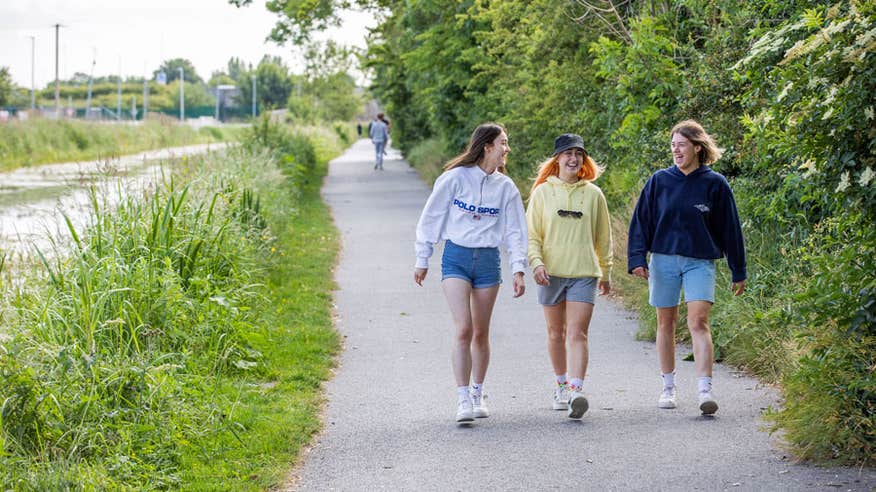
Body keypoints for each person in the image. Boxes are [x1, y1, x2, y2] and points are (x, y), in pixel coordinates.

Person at [627, 119, 746, 415]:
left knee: (698, 322)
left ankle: (705, 389)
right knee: (665, 323)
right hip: (663, 259)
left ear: (697, 147)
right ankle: (668, 387)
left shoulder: (715, 184)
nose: (676, 150)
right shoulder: (659, 181)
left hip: (699, 261)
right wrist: (637, 258)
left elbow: (731, 229)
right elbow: (641, 221)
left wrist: (738, 269)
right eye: (673, 146)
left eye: (681, 145)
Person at [414, 122, 528, 424]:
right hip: (456, 258)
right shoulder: (454, 179)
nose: (507, 149)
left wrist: (519, 268)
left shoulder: (506, 188)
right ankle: (462, 397)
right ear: (487, 146)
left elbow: (516, 230)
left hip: (488, 260)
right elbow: (432, 217)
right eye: (503, 143)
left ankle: (478, 392)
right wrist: (422, 258)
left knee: (481, 331)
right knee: (463, 328)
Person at [526, 134, 612, 419]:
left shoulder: (594, 195)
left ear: (584, 160)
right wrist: (536, 263)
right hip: (550, 273)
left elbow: (603, 237)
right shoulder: (542, 193)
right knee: (556, 333)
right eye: (567, 154)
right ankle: (561, 385)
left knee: (578, 333)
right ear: (557, 159)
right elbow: (532, 235)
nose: (573, 159)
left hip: (584, 272)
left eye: (578, 154)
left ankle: (576, 390)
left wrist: (606, 271)